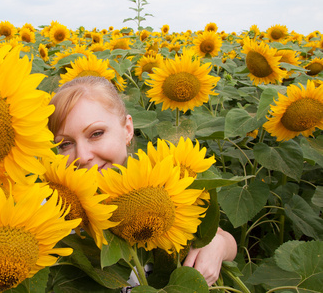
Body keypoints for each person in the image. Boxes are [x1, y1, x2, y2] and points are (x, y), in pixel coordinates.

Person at [48, 76, 237, 286]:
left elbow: (226, 241)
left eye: (96, 134)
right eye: (65, 144)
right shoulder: (55, 210)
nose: (82, 156)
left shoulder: (163, 184)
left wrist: (217, 246)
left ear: (127, 130)